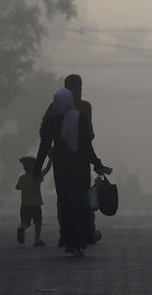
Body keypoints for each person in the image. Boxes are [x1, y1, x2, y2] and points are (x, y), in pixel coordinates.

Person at [34, 88, 106, 257]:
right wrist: (97, 163)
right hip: (80, 168)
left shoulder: (51, 121)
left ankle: (69, 240)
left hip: (62, 168)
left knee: (66, 203)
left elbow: (44, 147)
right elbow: (87, 145)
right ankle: (80, 241)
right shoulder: (78, 117)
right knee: (81, 203)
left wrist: (37, 168)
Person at [16, 153, 53, 246]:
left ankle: (21, 228)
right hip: (36, 205)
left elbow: (17, 187)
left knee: (26, 223)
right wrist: (51, 159)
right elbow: (47, 169)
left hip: (24, 206)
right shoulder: (37, 177)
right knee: (38, 223)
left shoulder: (22, 178)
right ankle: (37, 240)